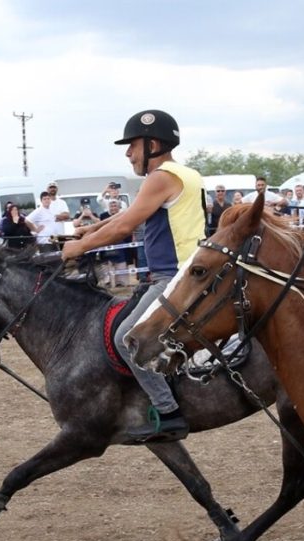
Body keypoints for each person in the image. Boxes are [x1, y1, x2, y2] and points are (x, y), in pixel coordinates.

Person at [61, 109, 205, 440]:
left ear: (153, 144)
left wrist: (78, 249)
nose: (128, 154)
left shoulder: (160, 177)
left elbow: (125, 226)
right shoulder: (184, 175)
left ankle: (168, 412)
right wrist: (92, 229)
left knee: (128, 338)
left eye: (132, 146)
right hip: (186, 272)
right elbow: (131, 214)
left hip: (175, 277)